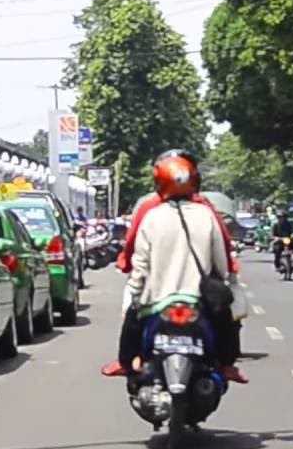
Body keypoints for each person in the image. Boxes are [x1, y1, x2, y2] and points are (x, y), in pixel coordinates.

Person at [102, 150, 247, 383]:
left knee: (132, 318)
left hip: (157, 298)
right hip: (199, 298)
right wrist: (222, 281)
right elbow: (221, 262)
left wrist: (136, 289)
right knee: (226, 321)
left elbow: (136, 259)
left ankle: (126, 362)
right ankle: (228, 366)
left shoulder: (150, 214)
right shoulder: (207, 212)